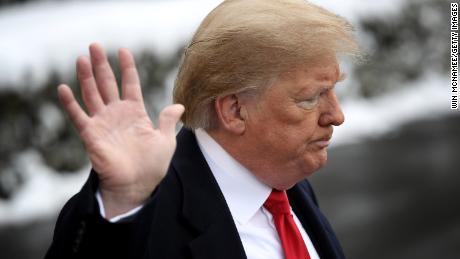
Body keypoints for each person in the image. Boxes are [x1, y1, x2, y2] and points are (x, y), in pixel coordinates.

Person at [45, 0, 360, 258]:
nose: (336, 115)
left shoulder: (287, 180)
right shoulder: (151, 214)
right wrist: (120, 202)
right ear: (234, 111)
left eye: (332, 90)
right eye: (311, 98)